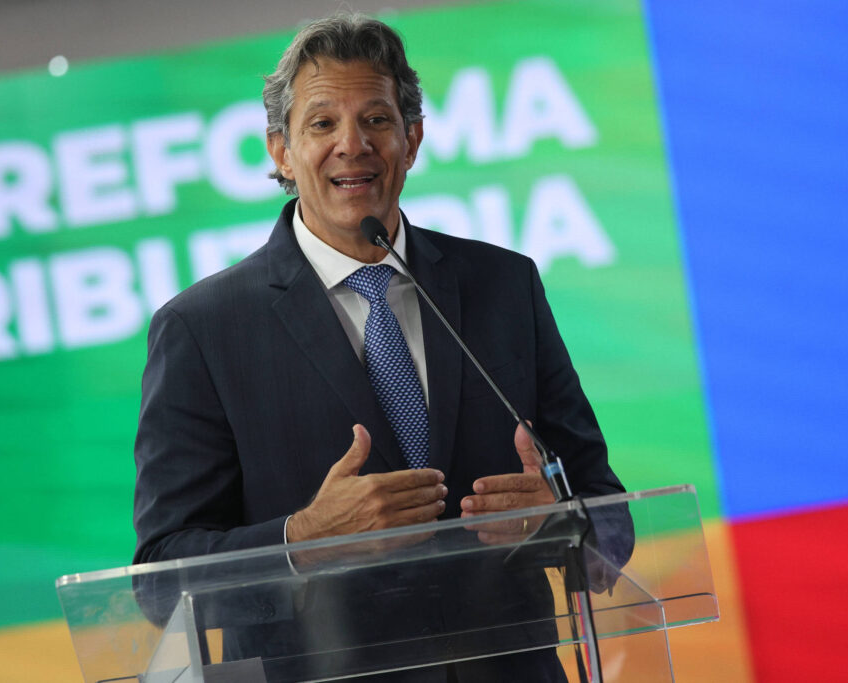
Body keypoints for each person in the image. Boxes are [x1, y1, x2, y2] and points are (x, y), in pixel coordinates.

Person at [133, 13, 626, 682]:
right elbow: (161, 581)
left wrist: (556, 518)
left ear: (411, 139)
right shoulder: (203, 330)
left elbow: (609, 517)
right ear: (280, 151)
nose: (352, 145)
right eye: (322, 124)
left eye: (376, 119)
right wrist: (303, 540)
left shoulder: (503, 286)